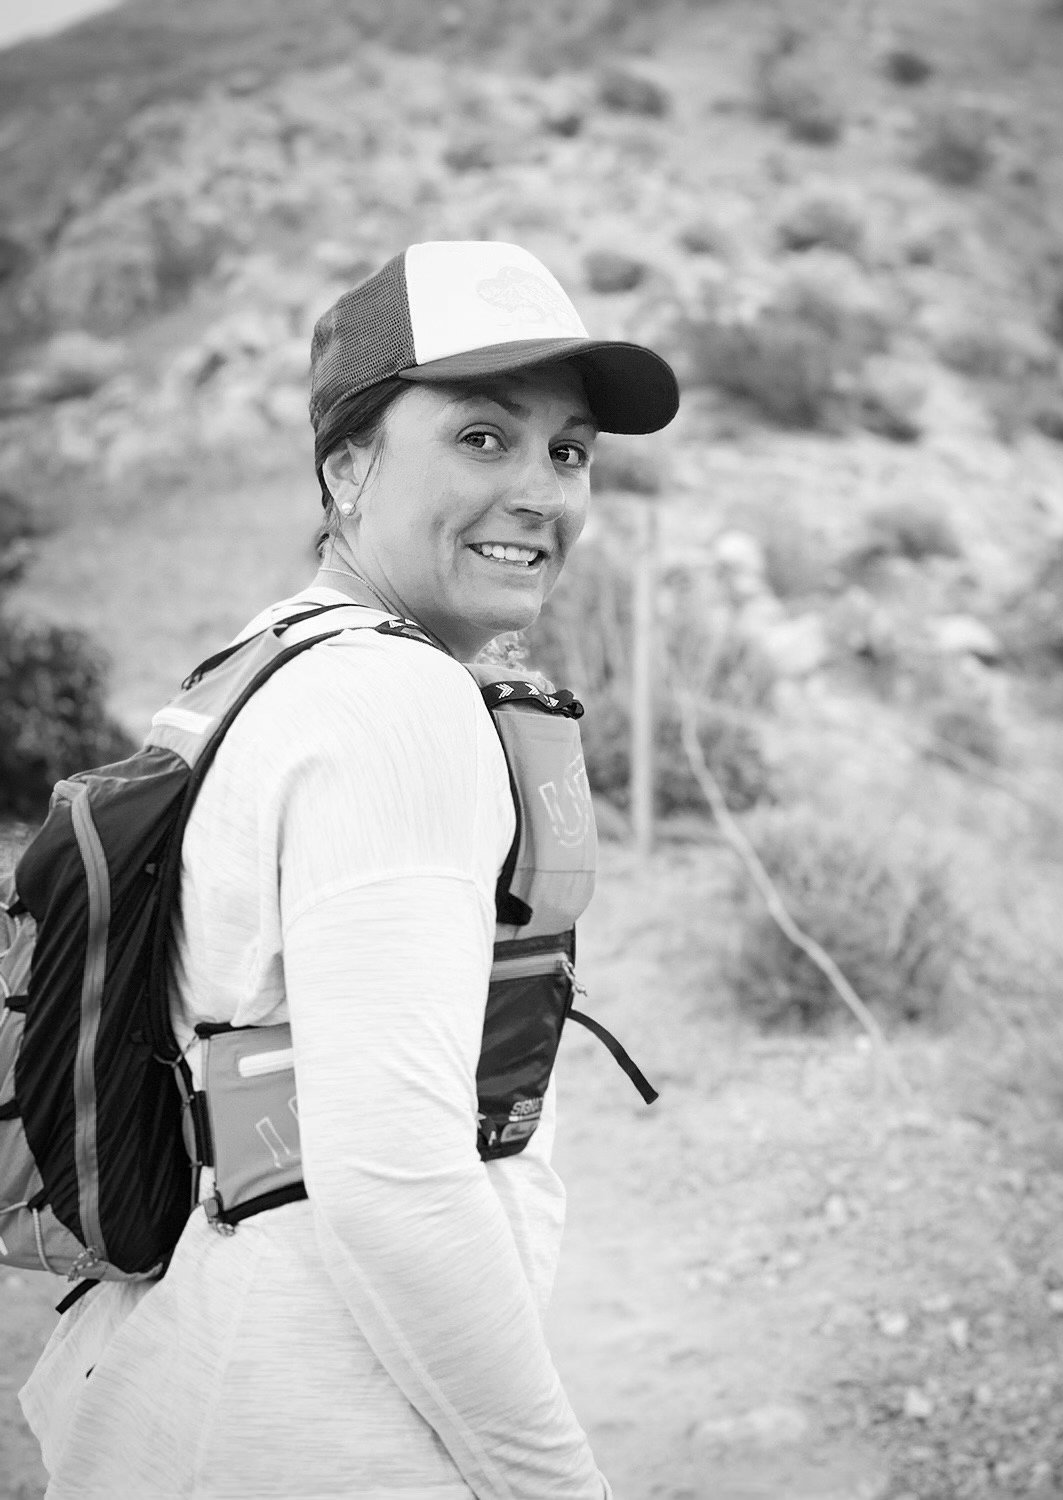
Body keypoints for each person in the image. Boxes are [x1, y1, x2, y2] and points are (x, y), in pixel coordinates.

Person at [19, 239, 678, 1499]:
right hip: (320, 1419)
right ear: (347, 465)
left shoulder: (267, 656)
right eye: (482, 437)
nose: (543, 489)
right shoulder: (398, 703)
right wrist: (554, 1484)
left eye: (568, 449)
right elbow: (394, 1187)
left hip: (194, 1371)